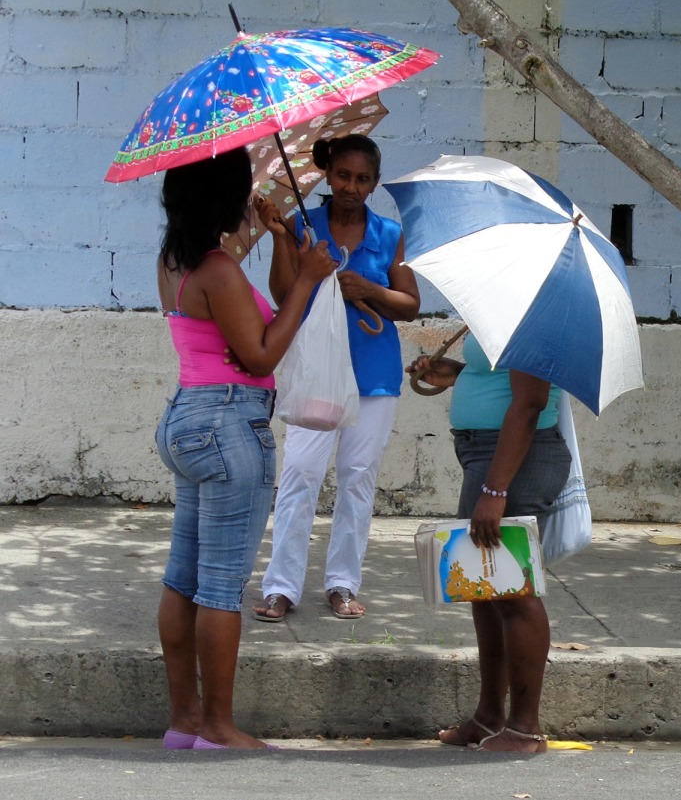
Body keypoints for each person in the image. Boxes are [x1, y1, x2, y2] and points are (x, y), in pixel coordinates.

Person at [154, 146, 335, 750]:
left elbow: (230, 328)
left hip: (187, 417)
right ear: (220, 201)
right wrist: (307, 280)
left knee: (182, 579)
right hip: (230, 425)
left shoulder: (176, 262)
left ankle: (184, 721)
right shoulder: (220, 272)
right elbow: (260, 355)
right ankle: (219, 726)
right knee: (220, 586)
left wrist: (275, 233)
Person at [253, 134, 420, 621]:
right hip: (317, 374)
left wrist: (369, 288)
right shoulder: (306, 226)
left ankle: (342, 583)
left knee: (357, 480)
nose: (351, 186)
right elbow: (285, 293)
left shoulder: (389, 235)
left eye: (362, 178)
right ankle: (281, 586)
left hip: (375, 376)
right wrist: (284, 239)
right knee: (300, 475)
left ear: (374, 184)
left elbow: (409, 305)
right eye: (343, 175)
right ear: (327, 175)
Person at [406, 330, 572, 753]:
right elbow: (505, 379)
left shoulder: (534, 315)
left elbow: (531, 402)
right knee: (487, 590)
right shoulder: (507, 307)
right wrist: (458, 374)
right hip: (485, 454)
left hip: (513, 458)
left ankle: (526, 728)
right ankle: (490, 717)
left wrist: (496, 491)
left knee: (513, 591)